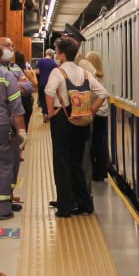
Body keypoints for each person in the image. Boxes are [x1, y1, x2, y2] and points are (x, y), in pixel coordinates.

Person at [44, 36, 108, 217]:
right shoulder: (85, 73)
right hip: (82, 121)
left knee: (62, 163)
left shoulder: (58, 73)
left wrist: (50, 112)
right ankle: (85, 204)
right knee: (77, 163)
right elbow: (103, 93)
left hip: (63, 121)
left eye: (56, 52)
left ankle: (65, 207)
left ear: (62, 55)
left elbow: (49, 91)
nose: (56, 56)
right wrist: (92, 112)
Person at [0, 40, 27, 220]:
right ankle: (2, 208)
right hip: (1, 126)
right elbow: (16, 108)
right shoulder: (6, 75)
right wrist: (22, 131)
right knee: (4, 166)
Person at [81, 50, 110, 181]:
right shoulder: (103, 76)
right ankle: (102, 171)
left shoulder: (92, 77)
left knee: (92, 144)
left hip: (95, 112)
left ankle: (94, 172)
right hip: (103, 114)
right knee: (100, 143)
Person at [36, 46, 59, 124]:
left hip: (42, 83)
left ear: (45, 53)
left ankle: (44, 113)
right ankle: (50, 114)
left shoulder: (40, 61)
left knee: (42, 99)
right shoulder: (54, 63)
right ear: (52, 55)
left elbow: (37, 72)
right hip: (51, 84)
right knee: (49, 99)